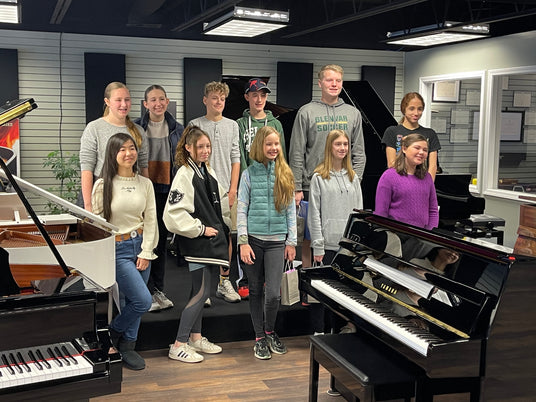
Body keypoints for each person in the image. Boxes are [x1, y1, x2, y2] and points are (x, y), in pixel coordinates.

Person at [163, 125, 230, 363]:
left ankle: (196, 337)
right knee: (202, 292)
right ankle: (179, 344)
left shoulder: (204, 171)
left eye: (208, 146)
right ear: (188, 148)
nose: (205, 150)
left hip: (209, 243)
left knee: (201, 292)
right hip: (198, 243)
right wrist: (200, 229)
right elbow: (172, 214)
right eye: (200, 147)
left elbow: (221, 203)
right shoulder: (185, 173)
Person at [91, 132, 158, 371]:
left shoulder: (145, 183)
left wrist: (146, 251)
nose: (128, 153)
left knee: (133, 300)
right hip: (117, 250)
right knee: (142, 301)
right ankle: (109, 334)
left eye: (132, 148)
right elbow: (97, 224)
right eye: (122, 149)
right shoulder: (103, 184)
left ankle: (128, 347)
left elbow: (151, 220)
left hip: (141, 245)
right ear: (113, 154)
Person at [289, 64, 366, 268]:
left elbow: (359, 151)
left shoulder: (353, 114)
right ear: (320, 83)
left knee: (342, 233)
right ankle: (308, 283)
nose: (334, 84)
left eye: (338, 81)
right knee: (309, 237)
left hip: (343, 185)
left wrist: (354, 179)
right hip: (311, 184)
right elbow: (296, 151)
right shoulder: (306, 112)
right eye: (329, 80)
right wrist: (297, 187)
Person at [237, 126, 297, 360]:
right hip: (253, 241)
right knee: (254, 290)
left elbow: (291, 210)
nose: (273, 148)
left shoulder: (286, 174)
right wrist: (243, 241)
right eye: (269, 144)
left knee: (273, 294)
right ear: (260, 146)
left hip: (277, 243)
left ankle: (270, 331)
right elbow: (241, 209)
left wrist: (291, 241)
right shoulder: (248, 174)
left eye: (276, 144)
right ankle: (259, 337)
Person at [189, 81, 241, 304]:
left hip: (225, 191)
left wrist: (232, 190)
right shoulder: (195, 124)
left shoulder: (232, 125)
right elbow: (189, 159)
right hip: (201, 190)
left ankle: (224, 282)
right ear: (205, 100)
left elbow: (235, 159)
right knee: (201, 236)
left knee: (226, 235)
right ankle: (203, 288)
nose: (218, 102)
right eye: (214, 98)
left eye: (222, 99)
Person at [307, 129, 363, 335]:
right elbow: (314, 214)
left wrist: (357, 245)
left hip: (347, 247)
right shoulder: (319, 177)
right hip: (327, 246)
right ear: (330, 147)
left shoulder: (353, 177)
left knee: (344, 293)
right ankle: (318, 333)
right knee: (322, 292)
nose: (342, 148)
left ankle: (338, 331)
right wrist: (318, 245)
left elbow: (359, 215)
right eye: (338, 144)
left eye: (345, 144)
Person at [236, 77, 287, 299]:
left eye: (263, 95)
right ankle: (246, 279)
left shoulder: (275, 125)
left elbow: (281, 155)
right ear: (247, 96)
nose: (259, 99)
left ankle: (267, 278)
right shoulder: (239, 124)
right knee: (247, 229)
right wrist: (250, 180)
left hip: (271, 183)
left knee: (268, 231)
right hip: (249, 182)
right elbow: (238, 155)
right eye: (255, 95)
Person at [135, 84, 184, 312]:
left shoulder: (177, 129)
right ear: (145, 104)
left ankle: (158, 290)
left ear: (167, 102)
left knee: (161, 241)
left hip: (166, 191)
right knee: (143, 242)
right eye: (152, 100)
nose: (157, 103)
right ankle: (143, 291)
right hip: (142, 191)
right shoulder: (135, 128)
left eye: (161, 99)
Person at [80, 81, 149, 211]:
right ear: (107, 102)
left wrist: (146, 199)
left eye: (127, 100)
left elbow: (143, 167)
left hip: (131, 193)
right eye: (118, 100)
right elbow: (87, 169)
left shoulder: (139, 131)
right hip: (102, 194)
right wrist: (88, 207)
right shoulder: (94, 128)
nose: (124, 104)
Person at [374, 133, 439, 230]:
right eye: (417, 148)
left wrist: (431, 233)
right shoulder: (389, 176)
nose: (421, 152)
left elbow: (433, 210)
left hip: (422, 237)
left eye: (425, 150)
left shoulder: (427, 178)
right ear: (404, 149)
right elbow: (381, 212)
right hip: (396, 235)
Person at [382, 92, 441, 181]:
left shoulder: (430, 134)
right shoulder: (392, 131)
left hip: (423, 183)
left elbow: (432, 166)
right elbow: (392, 163)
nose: (416, 113)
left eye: (420, 109)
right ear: (404, 109)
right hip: (400, 183)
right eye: (411, 109)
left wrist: (428, 186)